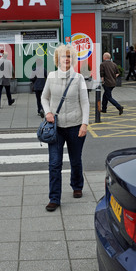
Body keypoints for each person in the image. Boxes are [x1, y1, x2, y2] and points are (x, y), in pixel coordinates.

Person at [41, 44, 90, 212]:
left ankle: (77, 185)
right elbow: (44, 97)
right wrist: (47, 112)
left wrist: (84, 123)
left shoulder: (79, 78)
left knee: (76, 160)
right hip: (56, 127)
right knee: (54, 163)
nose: (66, 59)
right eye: (63, 56)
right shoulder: (51, 76)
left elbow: (85, 102)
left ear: (73, 59)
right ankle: (54, 198)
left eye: (69, 56)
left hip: (76, 126)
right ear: (58, 59)